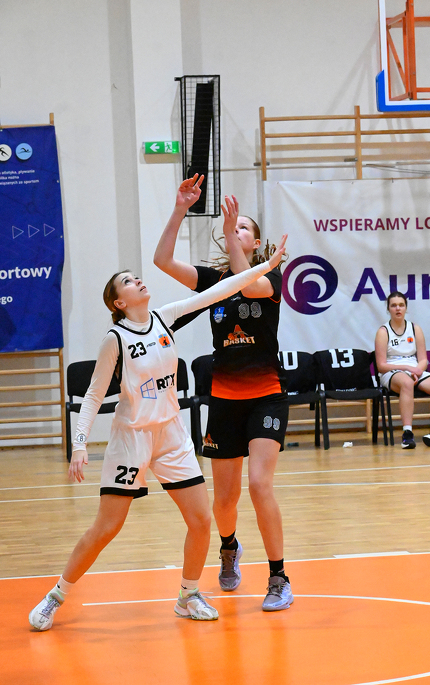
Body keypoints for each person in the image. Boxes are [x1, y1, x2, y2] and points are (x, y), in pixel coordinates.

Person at [28, 180, 287, 632]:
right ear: (119, 302)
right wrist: (80, 443)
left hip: (172, 434)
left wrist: (268, 264)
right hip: (132, 439)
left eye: (136, 277)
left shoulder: (167, 317)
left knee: (202, 520)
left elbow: (224, 290)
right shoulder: (115, 337)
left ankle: (188, 594)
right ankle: (56, 594)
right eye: (129, 281)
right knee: (108, 527)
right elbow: (94, 395)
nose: (139, 281)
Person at [154, 182, 293, 612]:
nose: (238, 230)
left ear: (255, 242)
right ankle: (229, 546)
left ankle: (279, 577)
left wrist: (231, 234)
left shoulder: (270, 276)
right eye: (235, 227)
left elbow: (247, 286)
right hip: (225, 399)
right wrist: (179, 209)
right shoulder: (214, 281)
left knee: (259, 485)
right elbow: (162, 261)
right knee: (224, 501)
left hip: (266, 395)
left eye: (245, 228)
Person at [375, 291, 430, 449]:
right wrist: (406, 369)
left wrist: (416, 371)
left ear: (406, 308)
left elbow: (423, 359)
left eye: (401, 305)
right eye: (394, 305)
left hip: (415, 370)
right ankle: (407, 434)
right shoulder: (383, 332)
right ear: (388, 309)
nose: (398, 308)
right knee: (407, 383)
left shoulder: (415, 329)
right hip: (392, 371)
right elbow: (381, 365)